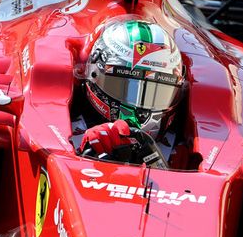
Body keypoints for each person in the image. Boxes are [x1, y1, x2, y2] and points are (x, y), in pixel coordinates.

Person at [78, 18, 185, 167]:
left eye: (157, 93)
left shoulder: (182, 149)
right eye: (124, 88)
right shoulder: (68, 131)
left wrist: (153, 159)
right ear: (94, 75)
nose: (139, 108)